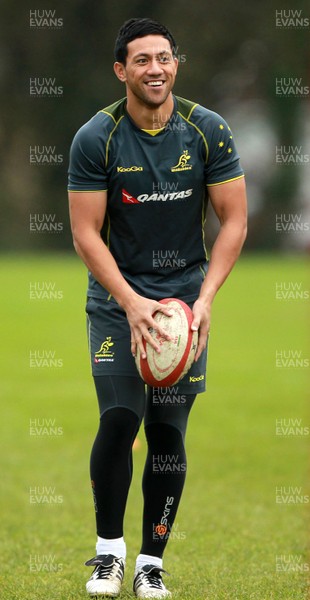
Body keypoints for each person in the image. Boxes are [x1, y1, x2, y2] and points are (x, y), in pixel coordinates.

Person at [68, 17, 247, 599]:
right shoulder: (97, 137)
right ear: (121, 70)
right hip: (117, 302)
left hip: (182, 306)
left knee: (168, 433)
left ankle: (151, 561)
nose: (156, 69)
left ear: (177, 64)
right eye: (142, 60)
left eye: (164, 58)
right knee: (120, 419)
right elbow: (85, 233)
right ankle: (108, 555)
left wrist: (205, 299)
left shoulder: (208, 130)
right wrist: (130, 302)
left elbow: (235, 220)